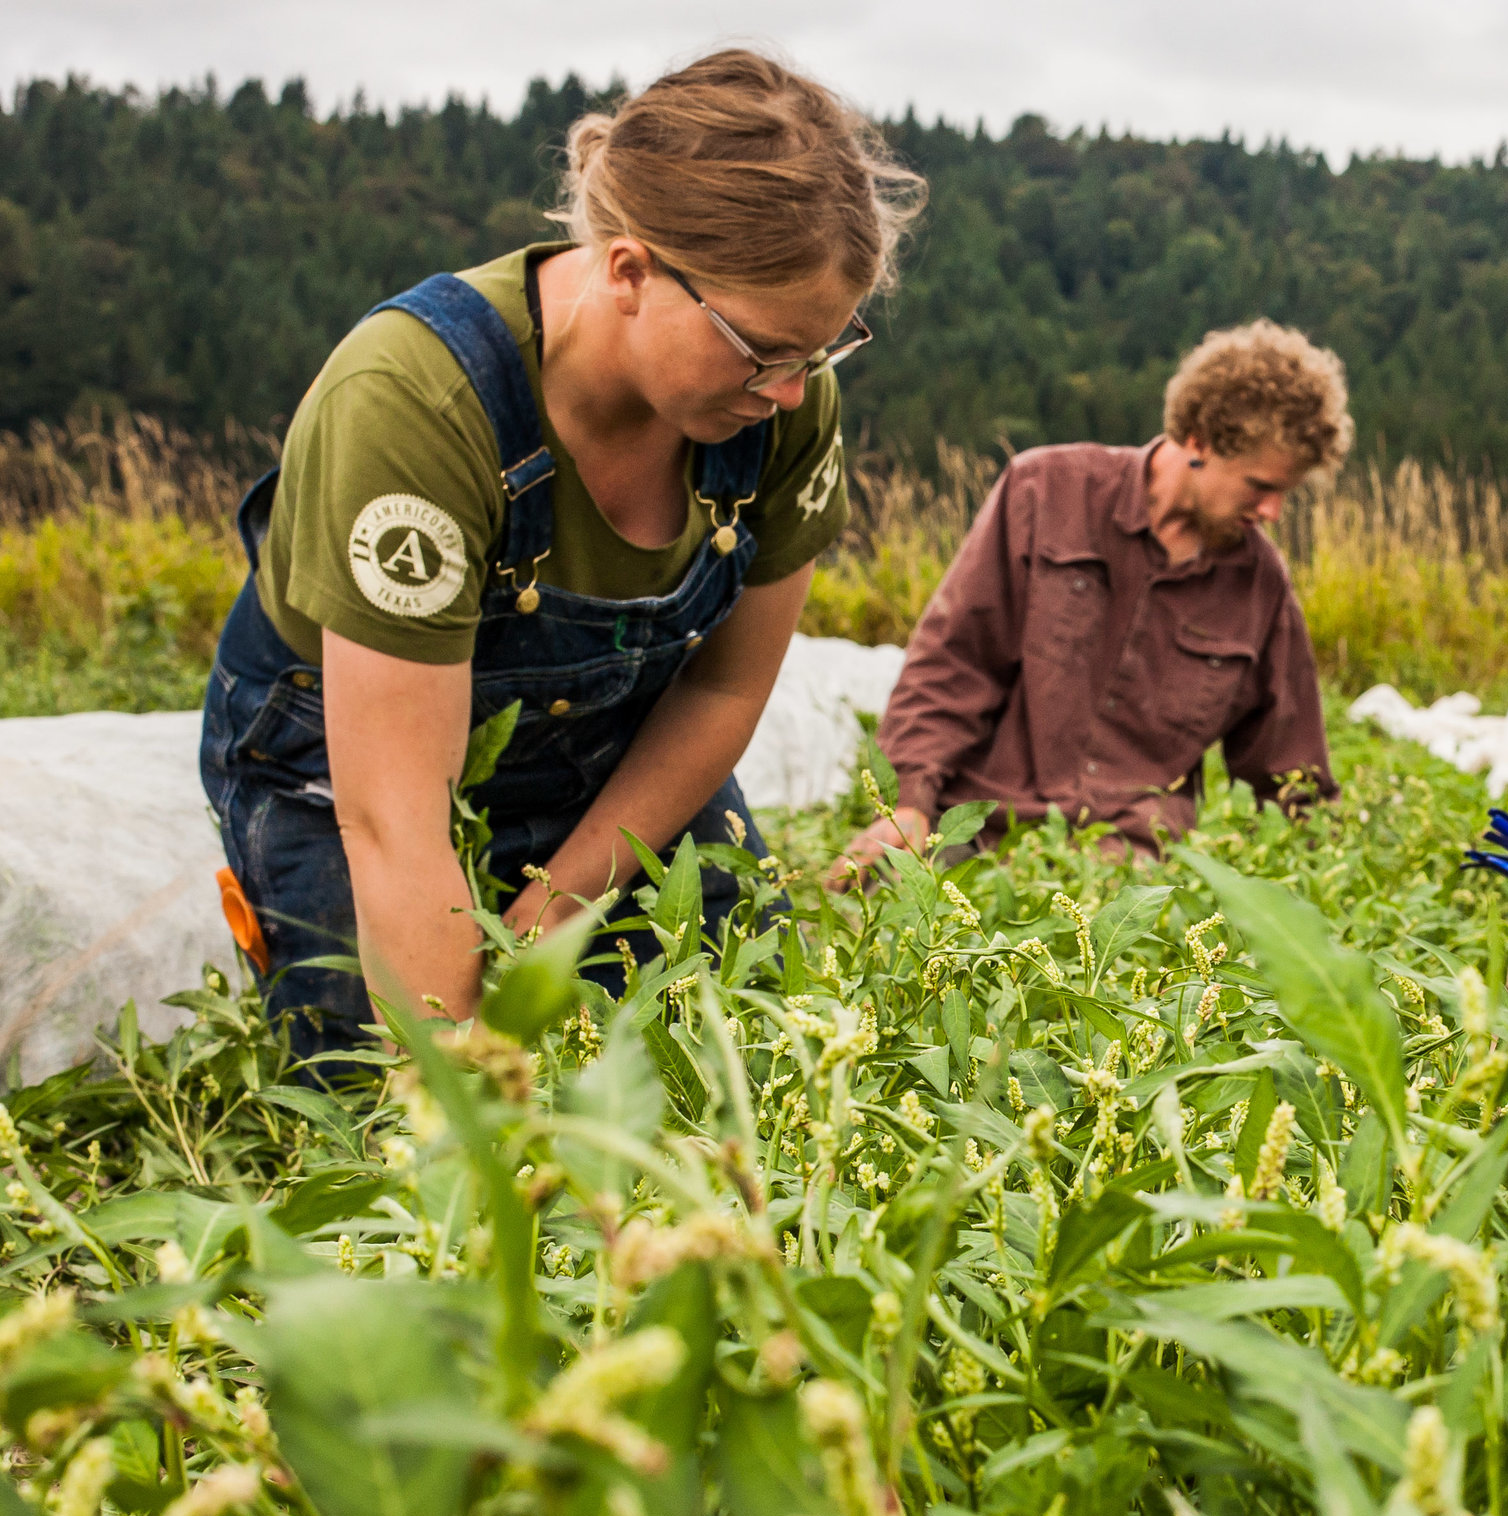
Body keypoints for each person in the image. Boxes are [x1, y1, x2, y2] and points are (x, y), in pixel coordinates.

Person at [200, 50, 922, 1058]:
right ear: (629, 270)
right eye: (763, 350)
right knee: (376, 1104)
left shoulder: (777, 403)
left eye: (825, 348)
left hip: (610, 748)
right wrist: (463, 1086)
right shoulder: (418, 400)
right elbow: (394, 813)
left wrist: (556, 907)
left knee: (729, 1049)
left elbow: (720, 691)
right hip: (348, 765)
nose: (793, 390)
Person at [839, 322, 1351, 879]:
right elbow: (955, 663)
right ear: (1199, 441)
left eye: (1286, 493)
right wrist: (909, 802)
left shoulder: (1260, 585)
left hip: (1128, 869)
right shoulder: (1044, 491)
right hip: (981, 827)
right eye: (1260, 486)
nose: (1273, 512)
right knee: (856, 914)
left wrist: (1321, 881)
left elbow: (1293, 772)